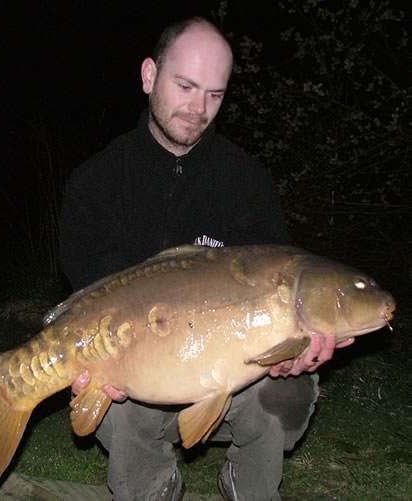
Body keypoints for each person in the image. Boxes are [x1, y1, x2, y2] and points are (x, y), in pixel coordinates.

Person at [59, 16, 354, 501]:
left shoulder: (246, 181)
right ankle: (156, 486)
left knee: (289, 391)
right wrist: (93, 365)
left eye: (215, 94)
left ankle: (247, 484)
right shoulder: (97, 184)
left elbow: (283, 291)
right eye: (186, 86)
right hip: (139, 385)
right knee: (111, 406)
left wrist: (297, 346)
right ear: (149, 76)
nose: (199, 109)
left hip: (231, 383)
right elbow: (90, 300)